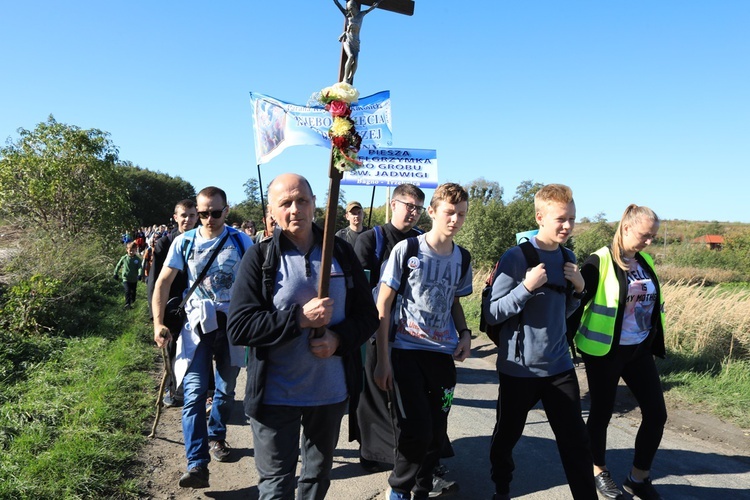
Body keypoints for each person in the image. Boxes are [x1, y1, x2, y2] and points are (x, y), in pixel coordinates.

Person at [227, 173, 378, 499]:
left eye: (302, 201)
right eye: (285, 203)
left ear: (314, 204)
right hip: (274, 396)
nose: (295, 209)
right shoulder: (260, 258)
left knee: (316, 480)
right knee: (276, 486)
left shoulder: (340, 252)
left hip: (329, 395)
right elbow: (239, 326)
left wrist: (339, 339)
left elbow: (369, 317)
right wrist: (299, 319)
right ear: (272, 212)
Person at [484, 183, 597, 500]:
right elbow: (493, 313)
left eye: (572, 219)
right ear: (540, 217)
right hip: (519, 370)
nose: (568, 226)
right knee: (507, 436)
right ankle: (502, 489)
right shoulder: (516, 258)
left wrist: (578, 290)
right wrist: (526, 288)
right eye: (561, 219)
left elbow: (563, 311)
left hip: (559, 366)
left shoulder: (568, 256)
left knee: (576, 442)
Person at [373, 183, 473, 500]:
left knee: (437, 431)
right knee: (417, 428)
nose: (455, 219)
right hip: (406, 352)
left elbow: (455, 301)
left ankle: (423, 487)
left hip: (441, 356)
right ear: (431, 212)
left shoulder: (463, 258)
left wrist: (466, 334)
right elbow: (383, 305)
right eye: (449, 212)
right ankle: (398, 489)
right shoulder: (408, 250)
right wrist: (383, 360)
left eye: (461, 214)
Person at [152, 187, 252, 489]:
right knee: (194, 394)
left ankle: (217, 435)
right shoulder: (184, 242)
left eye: (216, 212)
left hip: (231, 325)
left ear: (227, 210)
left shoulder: (239, 240)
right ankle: (197, 464)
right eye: (203, 213)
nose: (209, 219)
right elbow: (163, 282)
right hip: (196, 326)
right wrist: (158, 323)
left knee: (225, 389)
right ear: (196, 211)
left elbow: (259, 278)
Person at [567, 205, 666, 500]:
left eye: (652, 237)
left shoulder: (644, 260)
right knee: (601, 413)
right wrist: (561, 345)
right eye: (645, 236)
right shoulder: (598, 261)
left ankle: (638, 478)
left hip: (638, 350)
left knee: (656, 414)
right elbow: (575, 305)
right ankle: (598, 471)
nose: (649, 242)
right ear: (625, 228)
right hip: (604, 351)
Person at [147, 199, 199, 408]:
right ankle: (172, 386)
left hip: (197, 305)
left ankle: (204, 393)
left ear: (198, 216)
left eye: (192, 215)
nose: (188, 219)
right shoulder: (165, 243)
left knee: (199, 347)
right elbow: (155, 281)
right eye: (183, 215)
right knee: (172, 347)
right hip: (172, 304)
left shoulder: (202, 241)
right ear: (175, 217)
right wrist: (156, 318)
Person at [333, 0, 382, 84]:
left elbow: (371, 8)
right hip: (348, 39)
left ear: (355, 7)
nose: (350, 11)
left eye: (351, 8)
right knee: (351, 56)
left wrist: (377, 3)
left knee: (355, 61)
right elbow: (338, 5)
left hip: (356, 41)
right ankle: (345, 78)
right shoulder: (347, 15)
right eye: (348, 9)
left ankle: (349, 78)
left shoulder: (361, 15)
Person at [113, 241, 142, 309]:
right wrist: (115, 273)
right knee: (127, 291)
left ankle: (132, 301)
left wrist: (140, 274)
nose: (131, 252)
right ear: (127, 250)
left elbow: (140, 267)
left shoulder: (137, 259)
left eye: (133, 251)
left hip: (134, 279)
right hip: (126, 278)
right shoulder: (124, 258)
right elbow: (118, 265)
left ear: (136, 250)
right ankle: (127, 304)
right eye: (130, 250)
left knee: (133, 292)